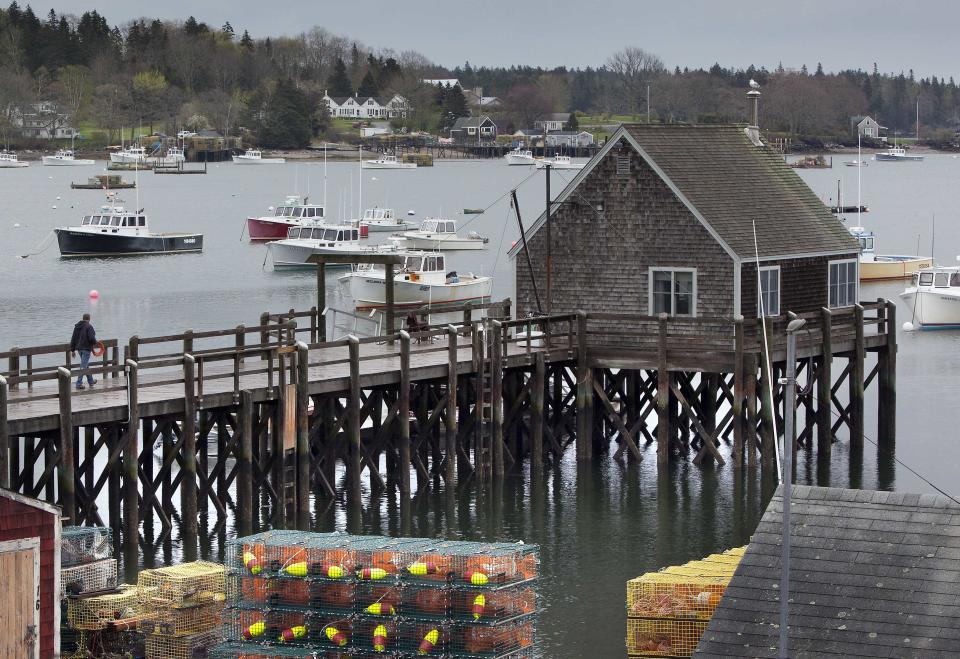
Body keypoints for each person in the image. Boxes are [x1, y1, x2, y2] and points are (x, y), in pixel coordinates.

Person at [70, 313, 98, 389]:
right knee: (83, 366)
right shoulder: (89, 326)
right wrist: (95, 343)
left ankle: (91, 381)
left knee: (85, 365)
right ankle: (78, 384)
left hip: (79, 349)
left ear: (83, 318)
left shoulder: (77, 327)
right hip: (86, 349)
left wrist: (72, 350)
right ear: (89, 319)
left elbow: (73, 338)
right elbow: (91, 338)